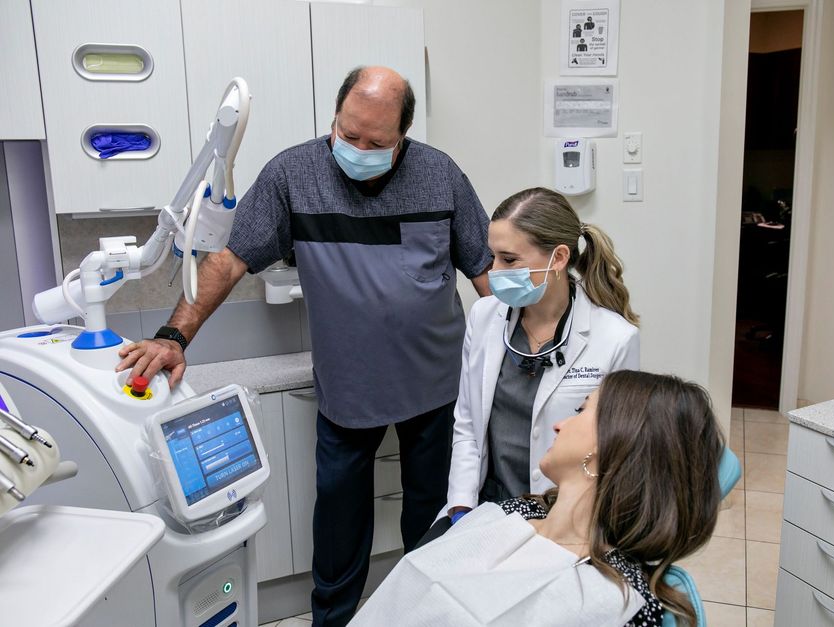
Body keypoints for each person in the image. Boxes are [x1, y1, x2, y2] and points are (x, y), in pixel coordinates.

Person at [115, 66, 493, 626]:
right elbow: (229, 260)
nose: (359, 149)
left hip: (437, 388)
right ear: (334, 117)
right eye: (348, 133)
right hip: (348, 391)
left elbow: (487, 272)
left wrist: (522, 354)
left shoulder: (441, 176)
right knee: (339, 533)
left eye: (377, 142)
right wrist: (174, 336)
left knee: (433, 524)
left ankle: (431, 616)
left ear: (404, 137)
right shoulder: (293, 175)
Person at [352, 370, 726, 627]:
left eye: (582, 410)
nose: (561, 423)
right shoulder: (512, 510)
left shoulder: (624, 601)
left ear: (609, 443)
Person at [445, 187, 640, 523]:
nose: (494, 271)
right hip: (488, 506)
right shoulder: (484, 316)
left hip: (565, 515)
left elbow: (616, 452)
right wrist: (461, 505)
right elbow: (467, 425)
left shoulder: (616, 339)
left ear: (559, 258)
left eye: (508, 259)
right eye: (493, 256)